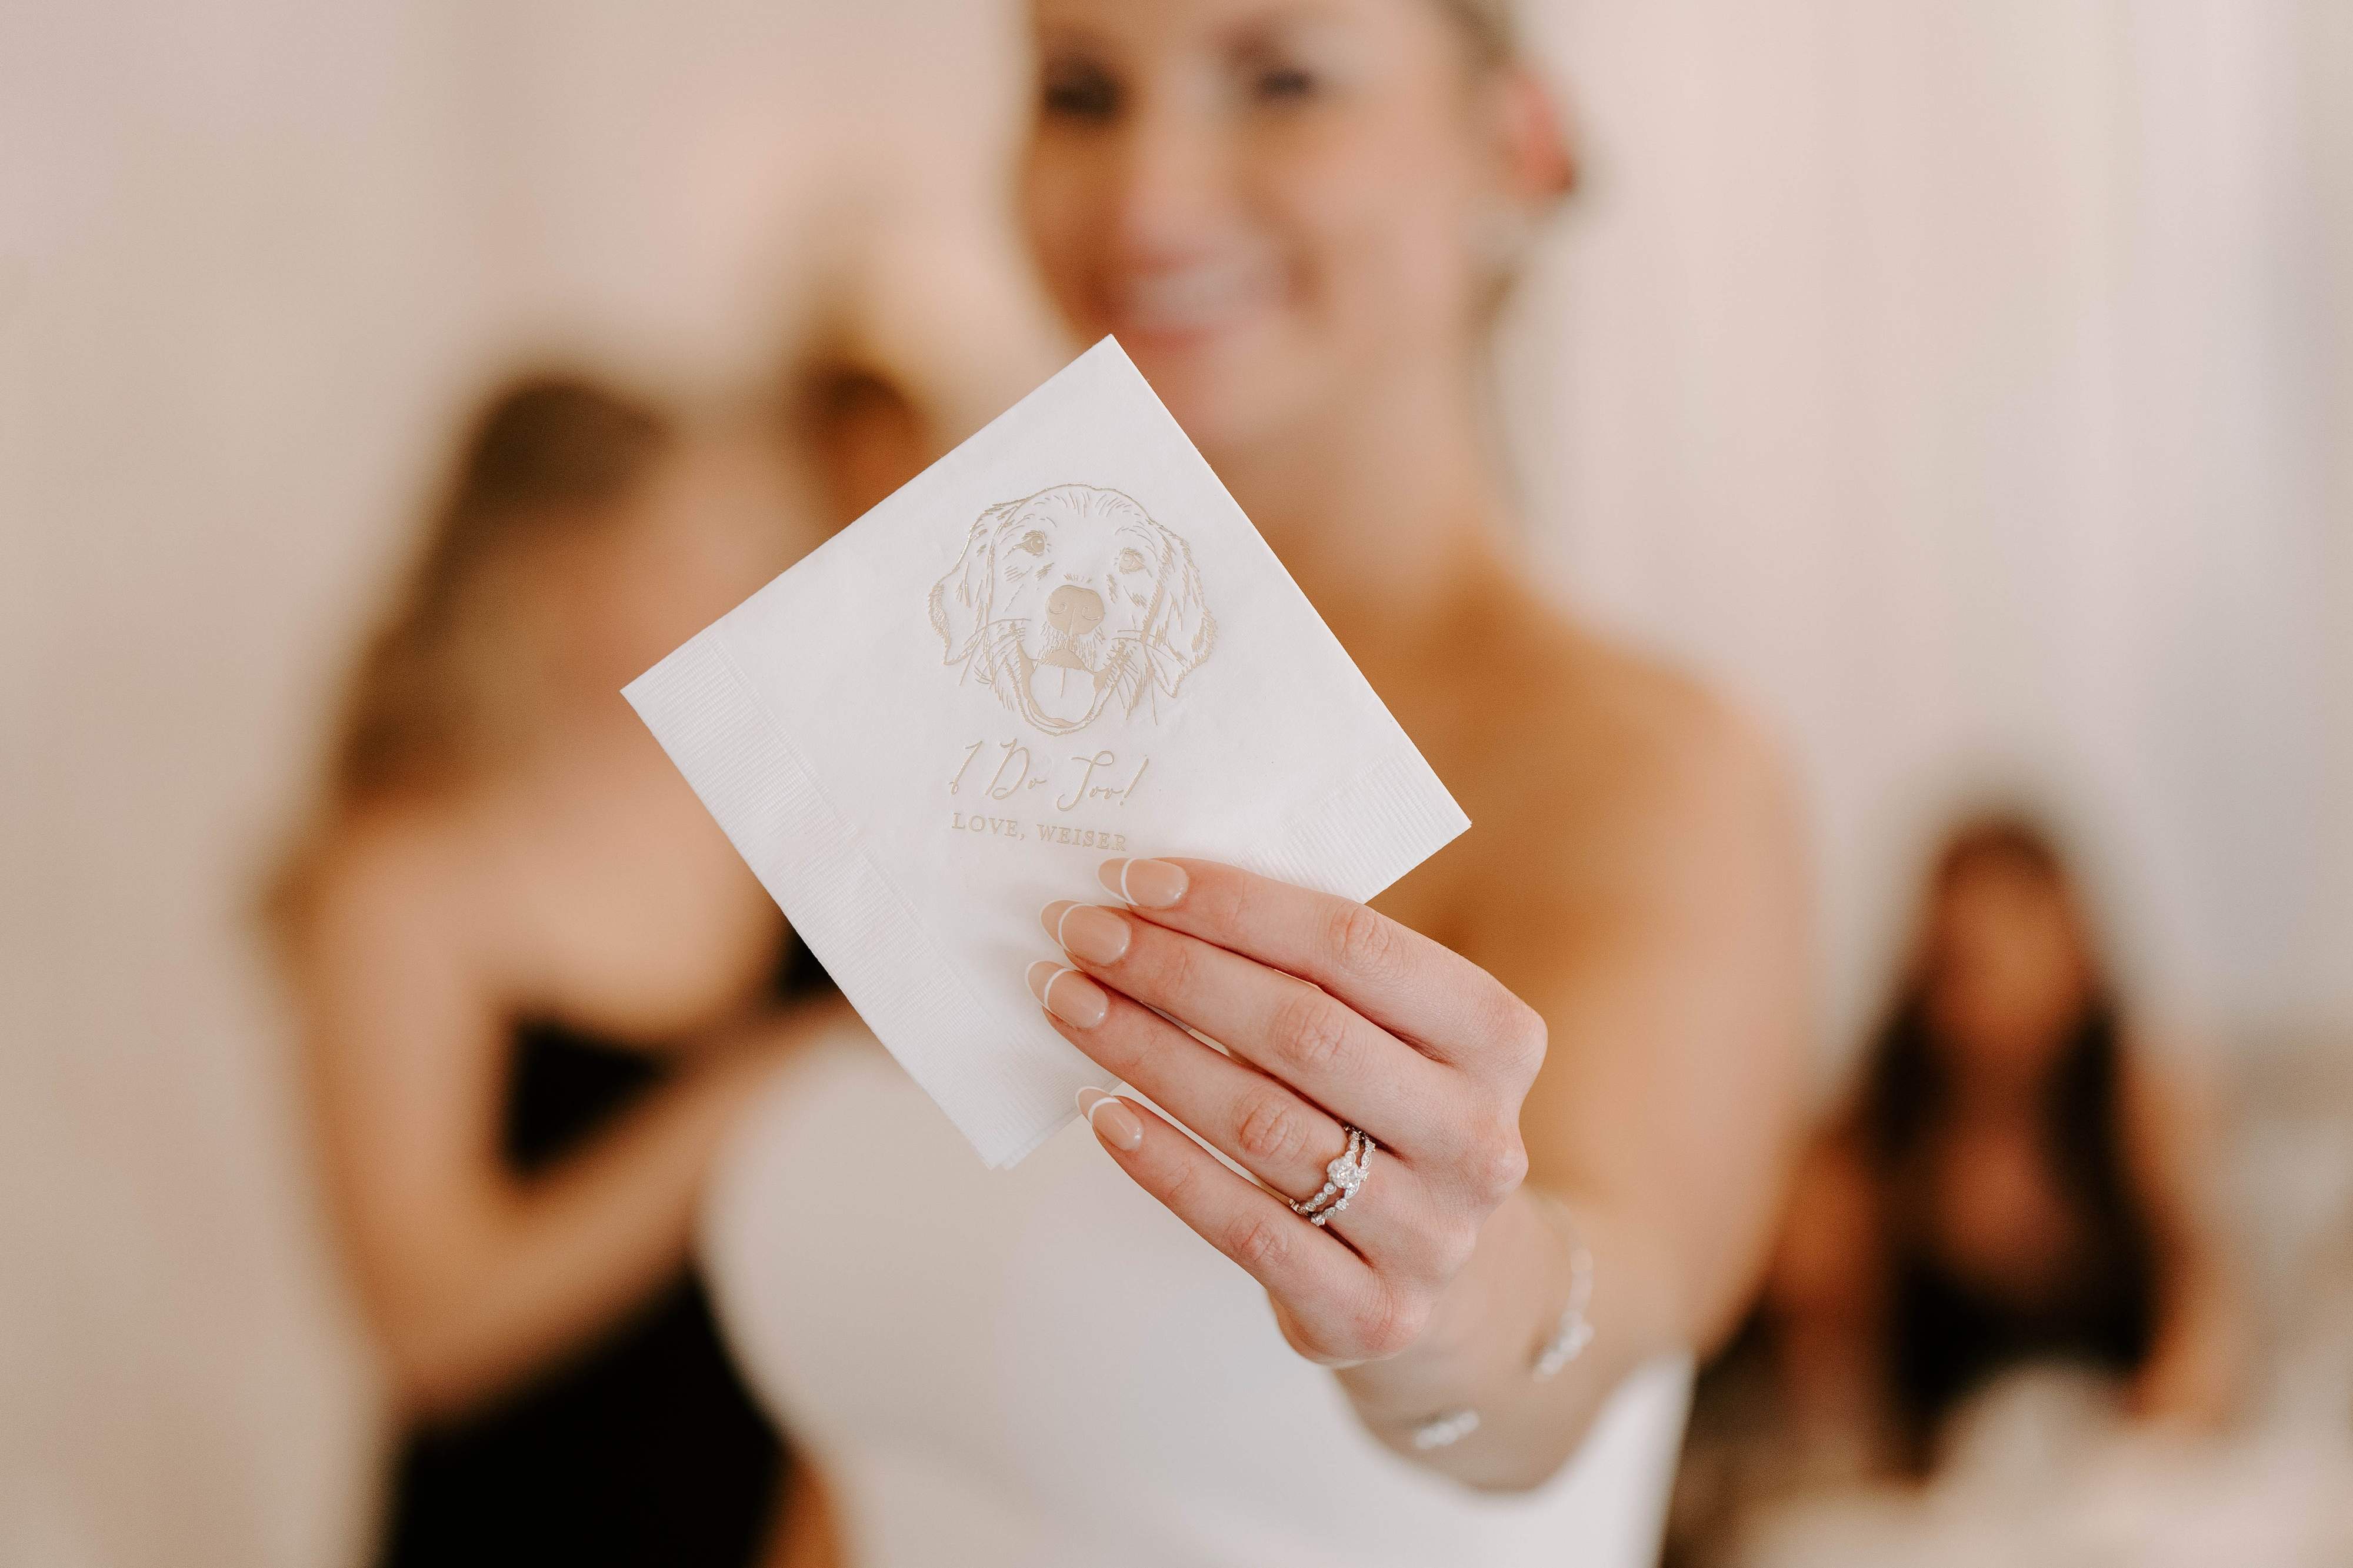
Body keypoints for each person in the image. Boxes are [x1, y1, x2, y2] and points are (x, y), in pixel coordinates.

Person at [700, 2, 1812, 1564]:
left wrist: (1454, 1305)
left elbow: (1592, 1305)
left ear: (1515, 143)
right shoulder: (967, 691)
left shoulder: (1650, 772)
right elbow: (882, 1438)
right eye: (1082, 90)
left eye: (1281, 79)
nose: (1147, 198)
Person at [266, 373, 868, 1567]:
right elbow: (428, 1329)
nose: (747, 582)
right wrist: (732, 1110)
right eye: (692, 545)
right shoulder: (402, 879)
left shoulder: (785, 813)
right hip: (520, 1520)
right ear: (551, 571)